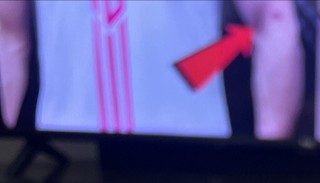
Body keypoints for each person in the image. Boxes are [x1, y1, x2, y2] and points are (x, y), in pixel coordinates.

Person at [0, 0, 303, 140]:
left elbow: (11, 35)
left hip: (68, 144)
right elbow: (274, 18)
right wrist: (269, 156)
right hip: (191, 141)